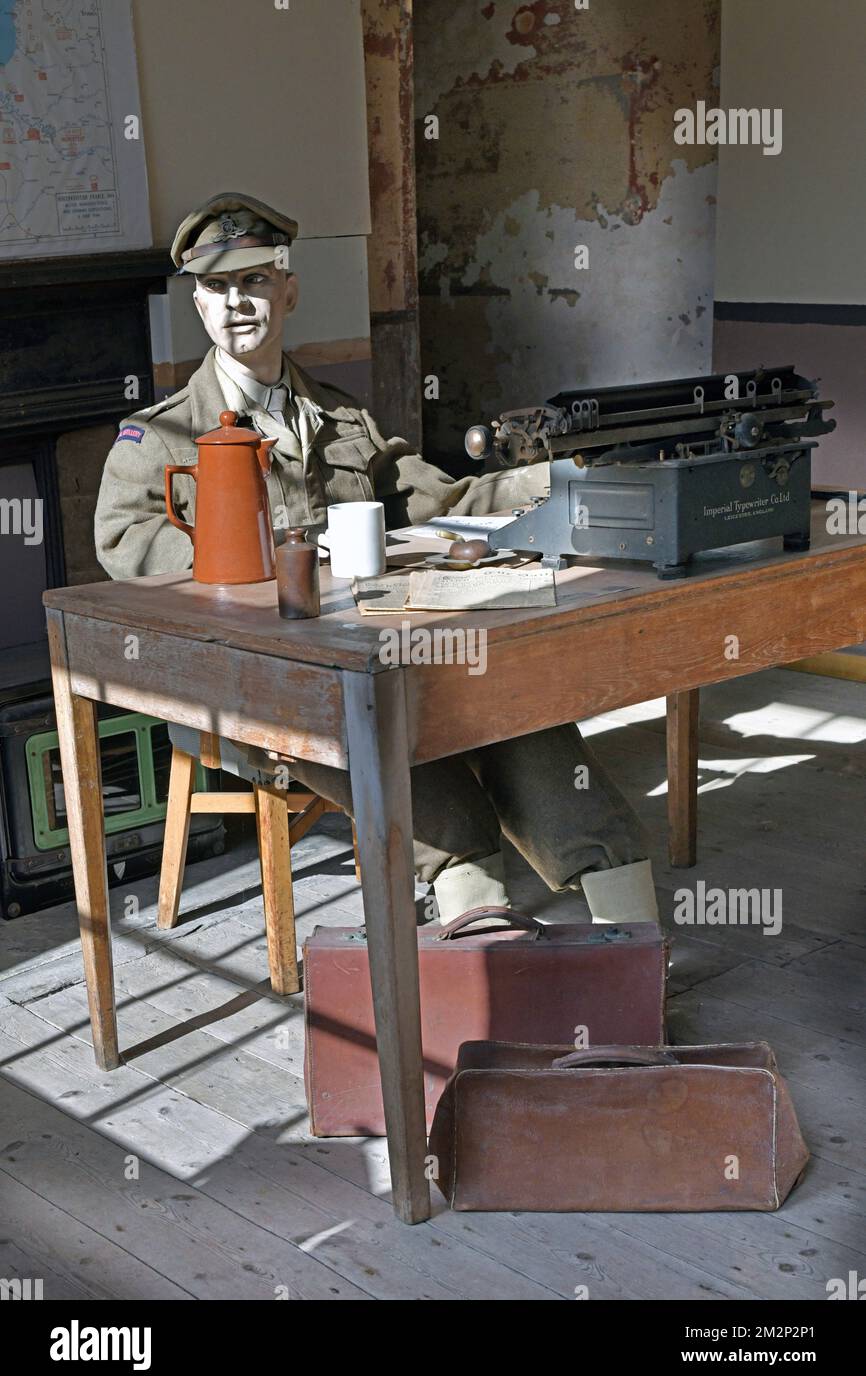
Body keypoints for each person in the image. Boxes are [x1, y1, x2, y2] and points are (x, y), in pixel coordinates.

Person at [95, 193, 658, 926]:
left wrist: (568, 476)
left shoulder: (343, 417)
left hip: (387, 651)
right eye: (218, 287)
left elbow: (444, 498)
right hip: (265, 682)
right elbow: (123, 542)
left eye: (256, 281)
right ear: (197, 302)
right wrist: (258, 569)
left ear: (288, 289)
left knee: (520, 710)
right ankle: (477, 936)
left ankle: (633, 936)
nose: (238, 303)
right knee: (412, 754)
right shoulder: (163, 437)